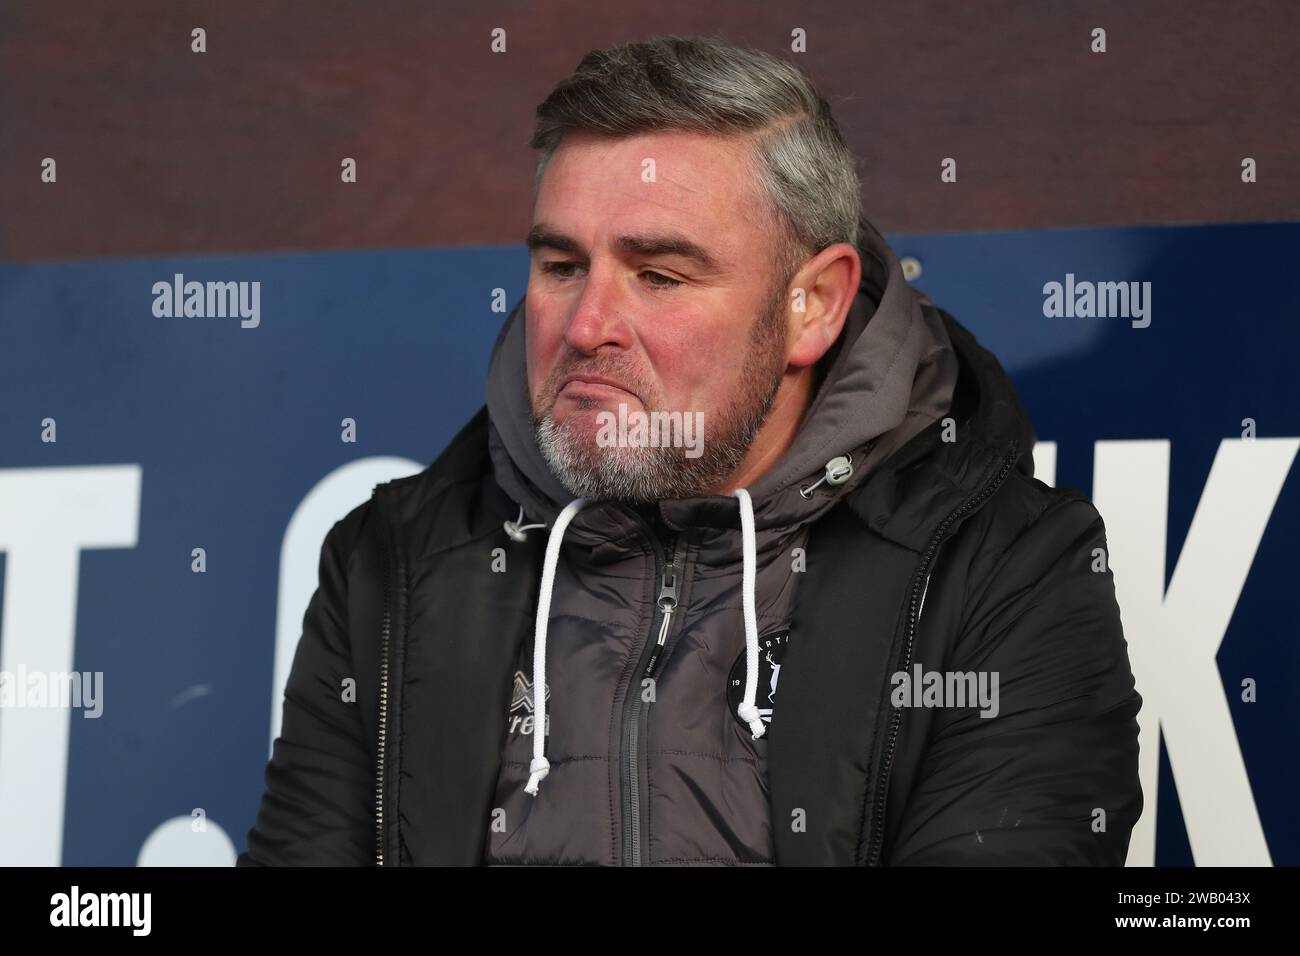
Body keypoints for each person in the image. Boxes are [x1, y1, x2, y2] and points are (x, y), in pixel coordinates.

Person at [239, 35, 1142, 866]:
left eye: (660, 277)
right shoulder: (389, 567)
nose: (587, 326)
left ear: (814, 305)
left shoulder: (1008, 572)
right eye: (561, 266)